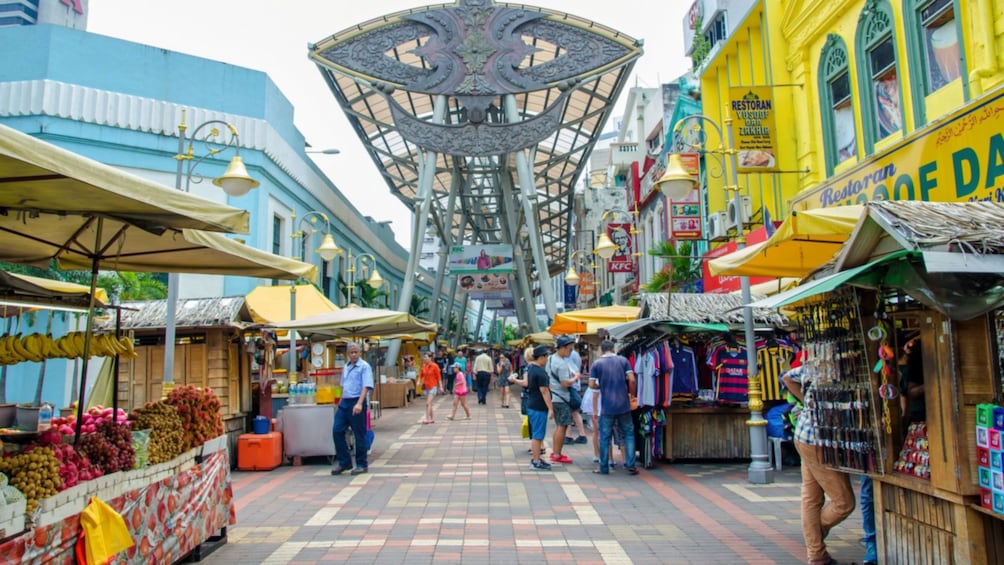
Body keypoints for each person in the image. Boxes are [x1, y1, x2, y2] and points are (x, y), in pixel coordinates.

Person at [782, 365, 855, 565]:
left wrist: (804, 402)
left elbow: (787, 377)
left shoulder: (814, 366)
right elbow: (787, 378)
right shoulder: (839, 373)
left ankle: (816, 553)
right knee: (844, 503)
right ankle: (814, 542)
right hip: (818, 442)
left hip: (806, 436)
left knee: (811, 497)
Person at [588, 339, 637, 475]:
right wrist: (631, 394)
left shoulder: (597, 364)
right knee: (628, 433)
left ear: (601, 350)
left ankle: (604, 467)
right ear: (613, 349)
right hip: (623, 404)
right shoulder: (623, 361)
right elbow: (632, 379)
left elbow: (591, 385)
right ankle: (630, 464)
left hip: (607, 406)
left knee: (604, 436)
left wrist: (601, 386)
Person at [331, 342, 373, 476]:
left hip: (357, 400)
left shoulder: (364, 367)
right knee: (337, 430)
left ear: (360, 353)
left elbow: (366, 386)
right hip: (345, 402)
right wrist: (341, 402)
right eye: (351, 352)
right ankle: (345, 462)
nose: (354, 355)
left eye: (356, 352)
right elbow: (344, 386)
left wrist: (360, 403)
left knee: (358, 433)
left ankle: (361, 464)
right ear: (348, 354)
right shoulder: (346, 367)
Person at [509, 344, 553, 470]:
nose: (547, 360)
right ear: (542, 357)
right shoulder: (540, 372)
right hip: (539, 406)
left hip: (532, 404)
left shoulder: (531, 369)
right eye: (546, 357)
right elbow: (544, 391)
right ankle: (535, 461)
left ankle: (537, 458)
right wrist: (550, 408)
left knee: (536, 434)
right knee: (538, 435)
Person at [546, 335, 579, 465]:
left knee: (559, 425)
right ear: (562, 348)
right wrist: (575, 378)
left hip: (554, 396)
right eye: (569, 349)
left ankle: (555, 452)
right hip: (562, 398)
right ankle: (557, 454)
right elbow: (565, 383)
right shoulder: (561, 364)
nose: (570, 352)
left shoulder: (550, 359)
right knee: (563, 426)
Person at [564, 343, 589, 445]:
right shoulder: (576, 355)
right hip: (575, 386)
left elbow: (570, 370)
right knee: (574, 411)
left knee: (569, 411)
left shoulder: (569, 355)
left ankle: (569, 436)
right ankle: (581, 435)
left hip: (570, 386)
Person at [419, 352, 441, 424]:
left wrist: (441, 386)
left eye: (426, 357)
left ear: (430, 358)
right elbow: (421, 374)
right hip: (427, 387)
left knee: (427, 403)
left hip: (433, 387)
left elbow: (439, 377)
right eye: (424, 357)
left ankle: (427, 419)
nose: (424, 358)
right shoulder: (424, 365)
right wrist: (419, 381)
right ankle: (432, 418)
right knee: (430, 404)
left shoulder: (435, 366)